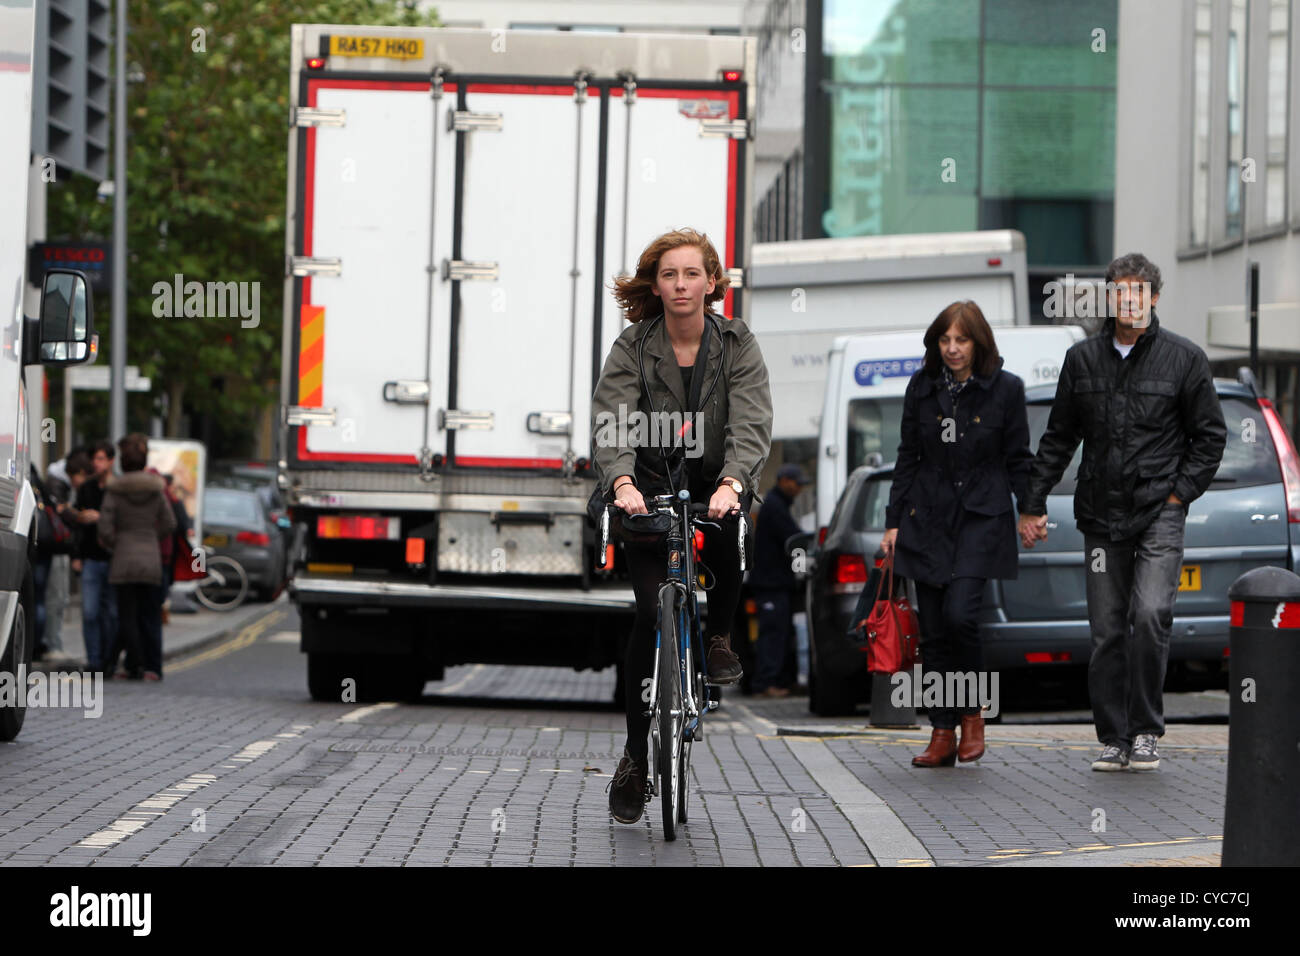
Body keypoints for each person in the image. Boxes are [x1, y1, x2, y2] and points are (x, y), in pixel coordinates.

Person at [591, 228, 772, 824]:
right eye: (669, 275)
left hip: (718, 488)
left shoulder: (736, 343)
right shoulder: (633, 347)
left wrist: (734, 482)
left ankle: (718, 638)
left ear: (711, 283)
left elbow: (751, 419)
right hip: (647, 490)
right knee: (649, 612)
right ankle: (635, 758)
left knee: (730, 534)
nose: (680, 285)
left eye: (691, 274)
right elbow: (613, 422)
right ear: (657, 284)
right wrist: (621, 486)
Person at [1018, 253, 1226, 773]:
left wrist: (1178, 496)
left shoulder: (1184, 359)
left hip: (1160, 510)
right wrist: (1034, 503)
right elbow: (1059, 438)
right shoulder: (1083, 360)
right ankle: (1114, 736)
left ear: (1154, 298)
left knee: (1150, 614)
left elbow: (1210, 437)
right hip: (1099, 515)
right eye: (1120, 293)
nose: (1129, 301)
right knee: (1108, 629)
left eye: (1138, 292)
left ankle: (1147, 730)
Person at [879, 301, 1033, 767]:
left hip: (981, 517)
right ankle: (941, 730)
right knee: (935, 632)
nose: (952, 349)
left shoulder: (1006, 390)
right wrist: (892, 522)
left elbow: (1019, 457)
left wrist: (1031, 509)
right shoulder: (922, 388)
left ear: (978, 342)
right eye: (944, 340)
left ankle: (972, 715)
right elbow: (907, 455)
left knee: (962, 615)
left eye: (961, 340)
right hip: (925, 519)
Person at [98, 434, 175, 681]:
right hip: (150, 557)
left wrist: (115, 542)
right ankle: (154, 667)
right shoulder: (156, 489)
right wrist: (152, 537)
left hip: (123, 558)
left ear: (123, 462)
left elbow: (105, 527)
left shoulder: (115, 490)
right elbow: (169, 522)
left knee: (127, 615)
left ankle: (133, 664)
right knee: (151, 615)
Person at [750, 463, 812, 698]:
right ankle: (765, 683)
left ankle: (780, 680)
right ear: (784, 480)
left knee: (781, 633)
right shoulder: (775, 506)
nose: (798, 489)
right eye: (797, 483)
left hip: (776, 582)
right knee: (773, 633)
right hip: (770, 583)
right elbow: (793, 537)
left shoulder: (779, 504)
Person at [73, 440, 118, 674]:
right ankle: (94, 661)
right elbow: (76, 521)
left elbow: (125, 521)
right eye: (95, 459)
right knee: (90, 612)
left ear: (111, 461)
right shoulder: (86, 488)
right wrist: (76, 555)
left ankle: (108, 660)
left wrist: (100, 517)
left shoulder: (119, 488)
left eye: (101, 458)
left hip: (114, 558)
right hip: (90, 557)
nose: (96, 463)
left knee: (111, 613)